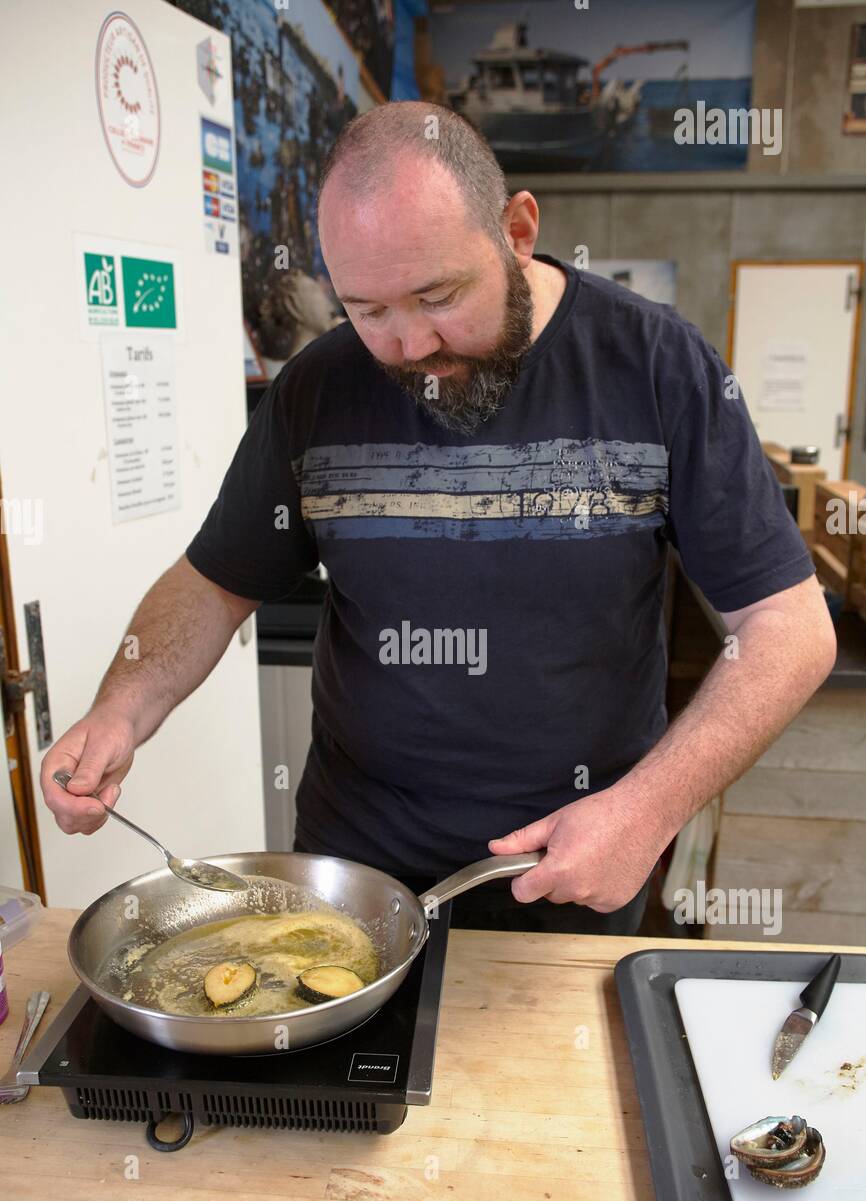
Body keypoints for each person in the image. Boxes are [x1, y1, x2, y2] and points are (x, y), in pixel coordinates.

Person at [41, 102, 836, 936]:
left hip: (572, 863)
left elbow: (788, 626)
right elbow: (212, 586)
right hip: (352, 872)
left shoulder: (657, 366)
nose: (410, 345)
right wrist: (117, 712)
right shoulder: (314, 392)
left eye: (438, 295)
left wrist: (647, 809)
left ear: (518, 231)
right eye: (368, 309)